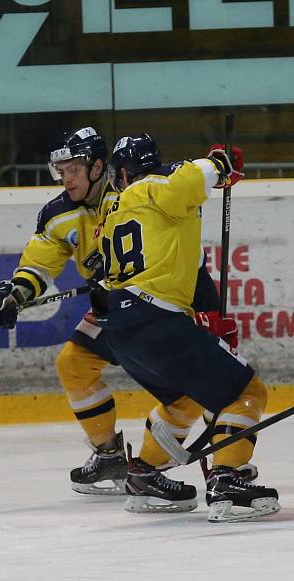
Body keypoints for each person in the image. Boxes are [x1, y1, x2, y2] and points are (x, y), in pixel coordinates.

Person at [0, 127, 234, 496]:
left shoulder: (134, 186)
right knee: (74, 363)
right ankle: (111, 455)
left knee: (205, 386)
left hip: (183, 295)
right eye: (62, 172)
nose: (65, 179)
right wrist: (16, 291)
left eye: (73, 170)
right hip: (118, 306)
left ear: (99, 167)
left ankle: (218, 468)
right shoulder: (58, 214)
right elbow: (40, 263)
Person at [92, 133, 279, 522]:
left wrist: (207, 314)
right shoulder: (151, 186)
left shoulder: (114, 214)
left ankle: (144, 472)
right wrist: (217, 164)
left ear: (120, 173)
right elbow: (187, 180)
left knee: (183, 399)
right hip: (155, 318)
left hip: (121, 326)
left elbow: (187, 265)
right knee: (246, 392)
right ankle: (228, 479)